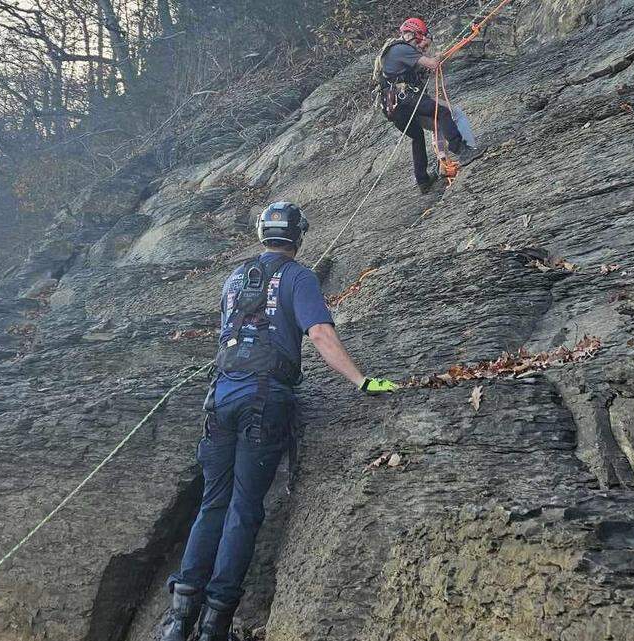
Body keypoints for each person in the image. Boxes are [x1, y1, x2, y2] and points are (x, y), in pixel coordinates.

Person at [160, 201, 399, 641]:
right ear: (299, 236)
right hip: (263, 401)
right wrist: (362, 381)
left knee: (212, 502)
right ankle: (214, 623)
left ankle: (178, 619)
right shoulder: (299, 277)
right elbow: (321, 334)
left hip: (221, 399)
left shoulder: (234, 278)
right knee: (244, 508)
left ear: (261, 234)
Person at [374, 17, 481, 193]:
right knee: (443, 112)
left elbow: (420, 70)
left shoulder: (394, 51)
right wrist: (437, 57)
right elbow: (432, 63)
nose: (421, 42)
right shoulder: (401, 48)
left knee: (418, 136)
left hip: (393, 108)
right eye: (420, 38)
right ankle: (461, 149)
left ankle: (423, 181)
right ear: (413, 34)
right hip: (405, 98)